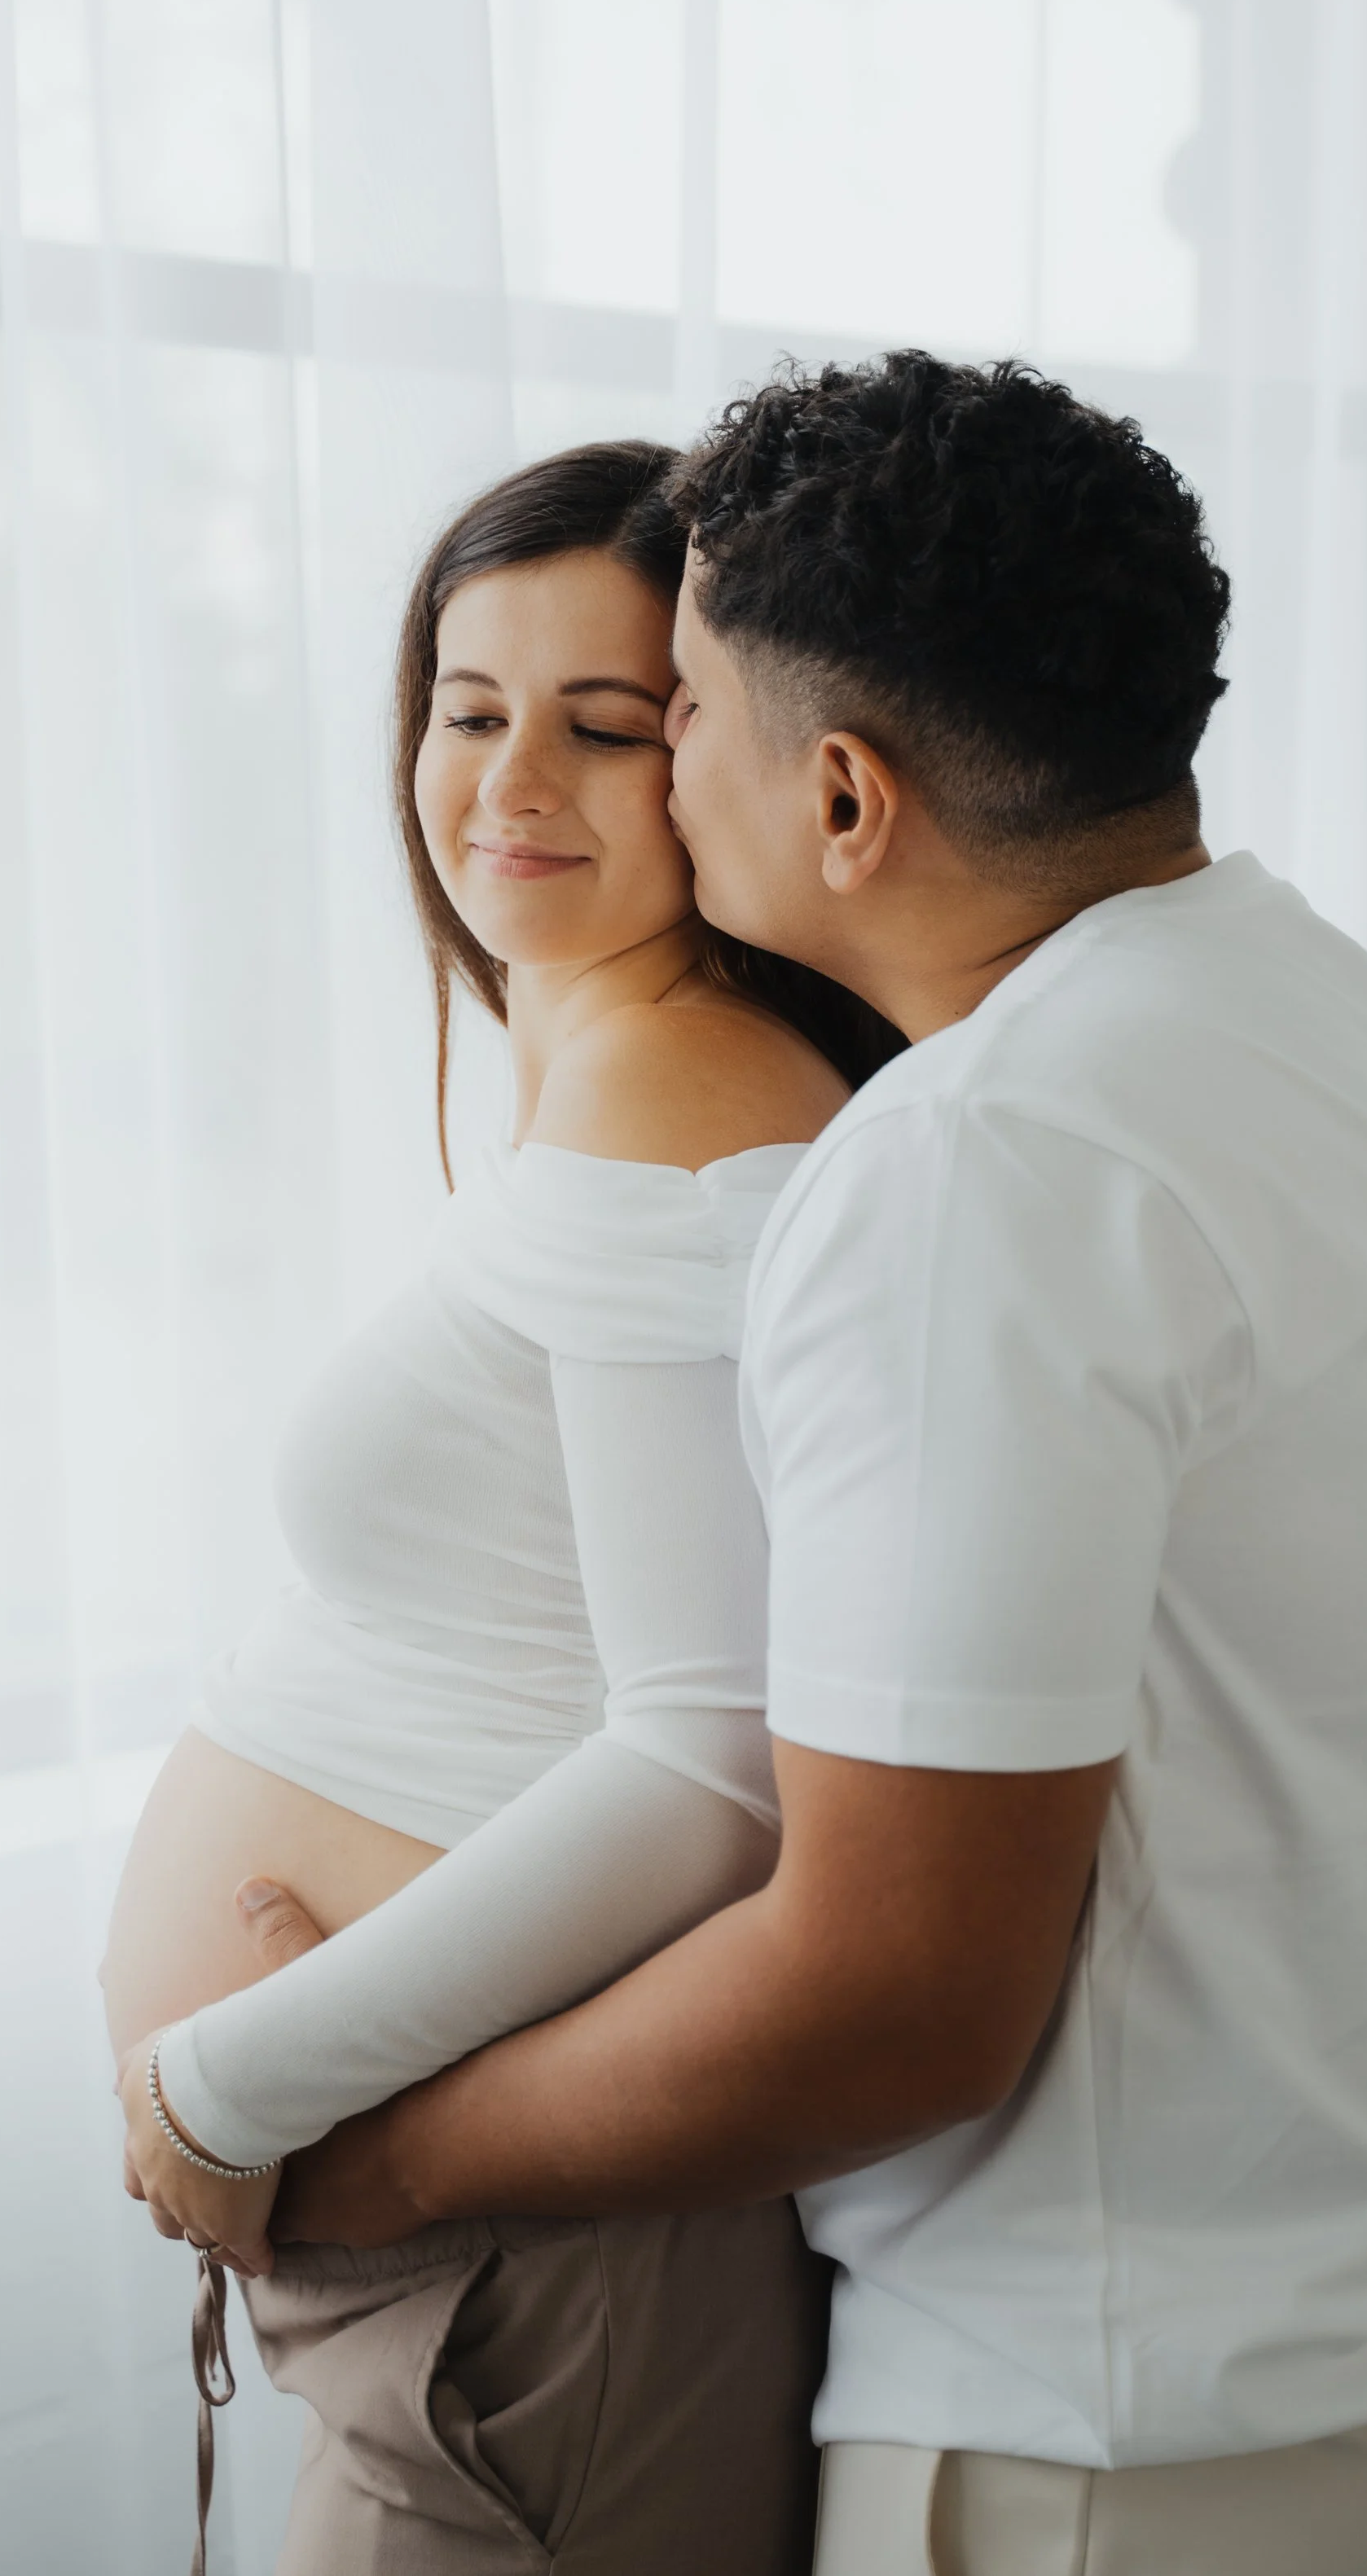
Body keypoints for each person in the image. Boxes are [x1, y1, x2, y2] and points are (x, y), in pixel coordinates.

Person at [246, 353, 1367, 2576]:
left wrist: (349, 2156)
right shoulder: (1307, 1006)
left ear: (845, 798)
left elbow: (894, 1991)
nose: (650, 764)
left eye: (665, 705)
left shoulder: (979, 1165)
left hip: (1121, 2436)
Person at [103, 439, 899, 2574]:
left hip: (539, 2290)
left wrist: (228, 2080)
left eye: (604, 723)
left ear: (721, 755)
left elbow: (705, 1761)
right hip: (490, 2286)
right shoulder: (608, 1078)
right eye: (469, 706)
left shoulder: (677, 1090)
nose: (509, 780)